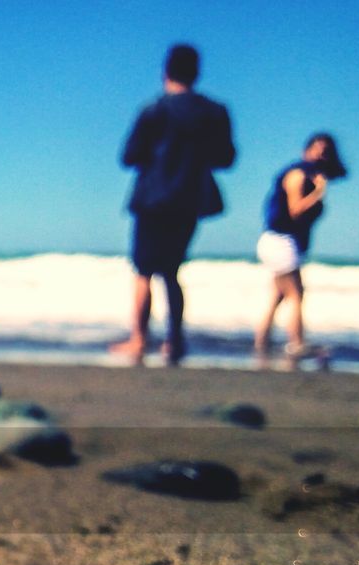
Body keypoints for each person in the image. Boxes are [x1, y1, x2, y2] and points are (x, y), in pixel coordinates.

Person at [111, 44, 236, 366]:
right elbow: (226, 158)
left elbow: (129, 156)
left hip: (152, 198)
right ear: (197, 72)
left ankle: (139, 339)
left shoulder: (155, 110)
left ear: (165, 72)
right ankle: (174, 342)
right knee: (172, 271)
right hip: (190, 198)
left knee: (143, 272)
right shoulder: (215, 111)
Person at [254, 133, 348, 366]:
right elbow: (295, 209)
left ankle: (261, 342)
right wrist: (317, 194)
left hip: (279, 241)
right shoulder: (298, 174)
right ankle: (296, 344)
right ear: (306, 150)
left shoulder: (310, 174)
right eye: (317, 149)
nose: (321, 155)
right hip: (280, 240)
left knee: (278, 295)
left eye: (326, 151)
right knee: (296, 293)